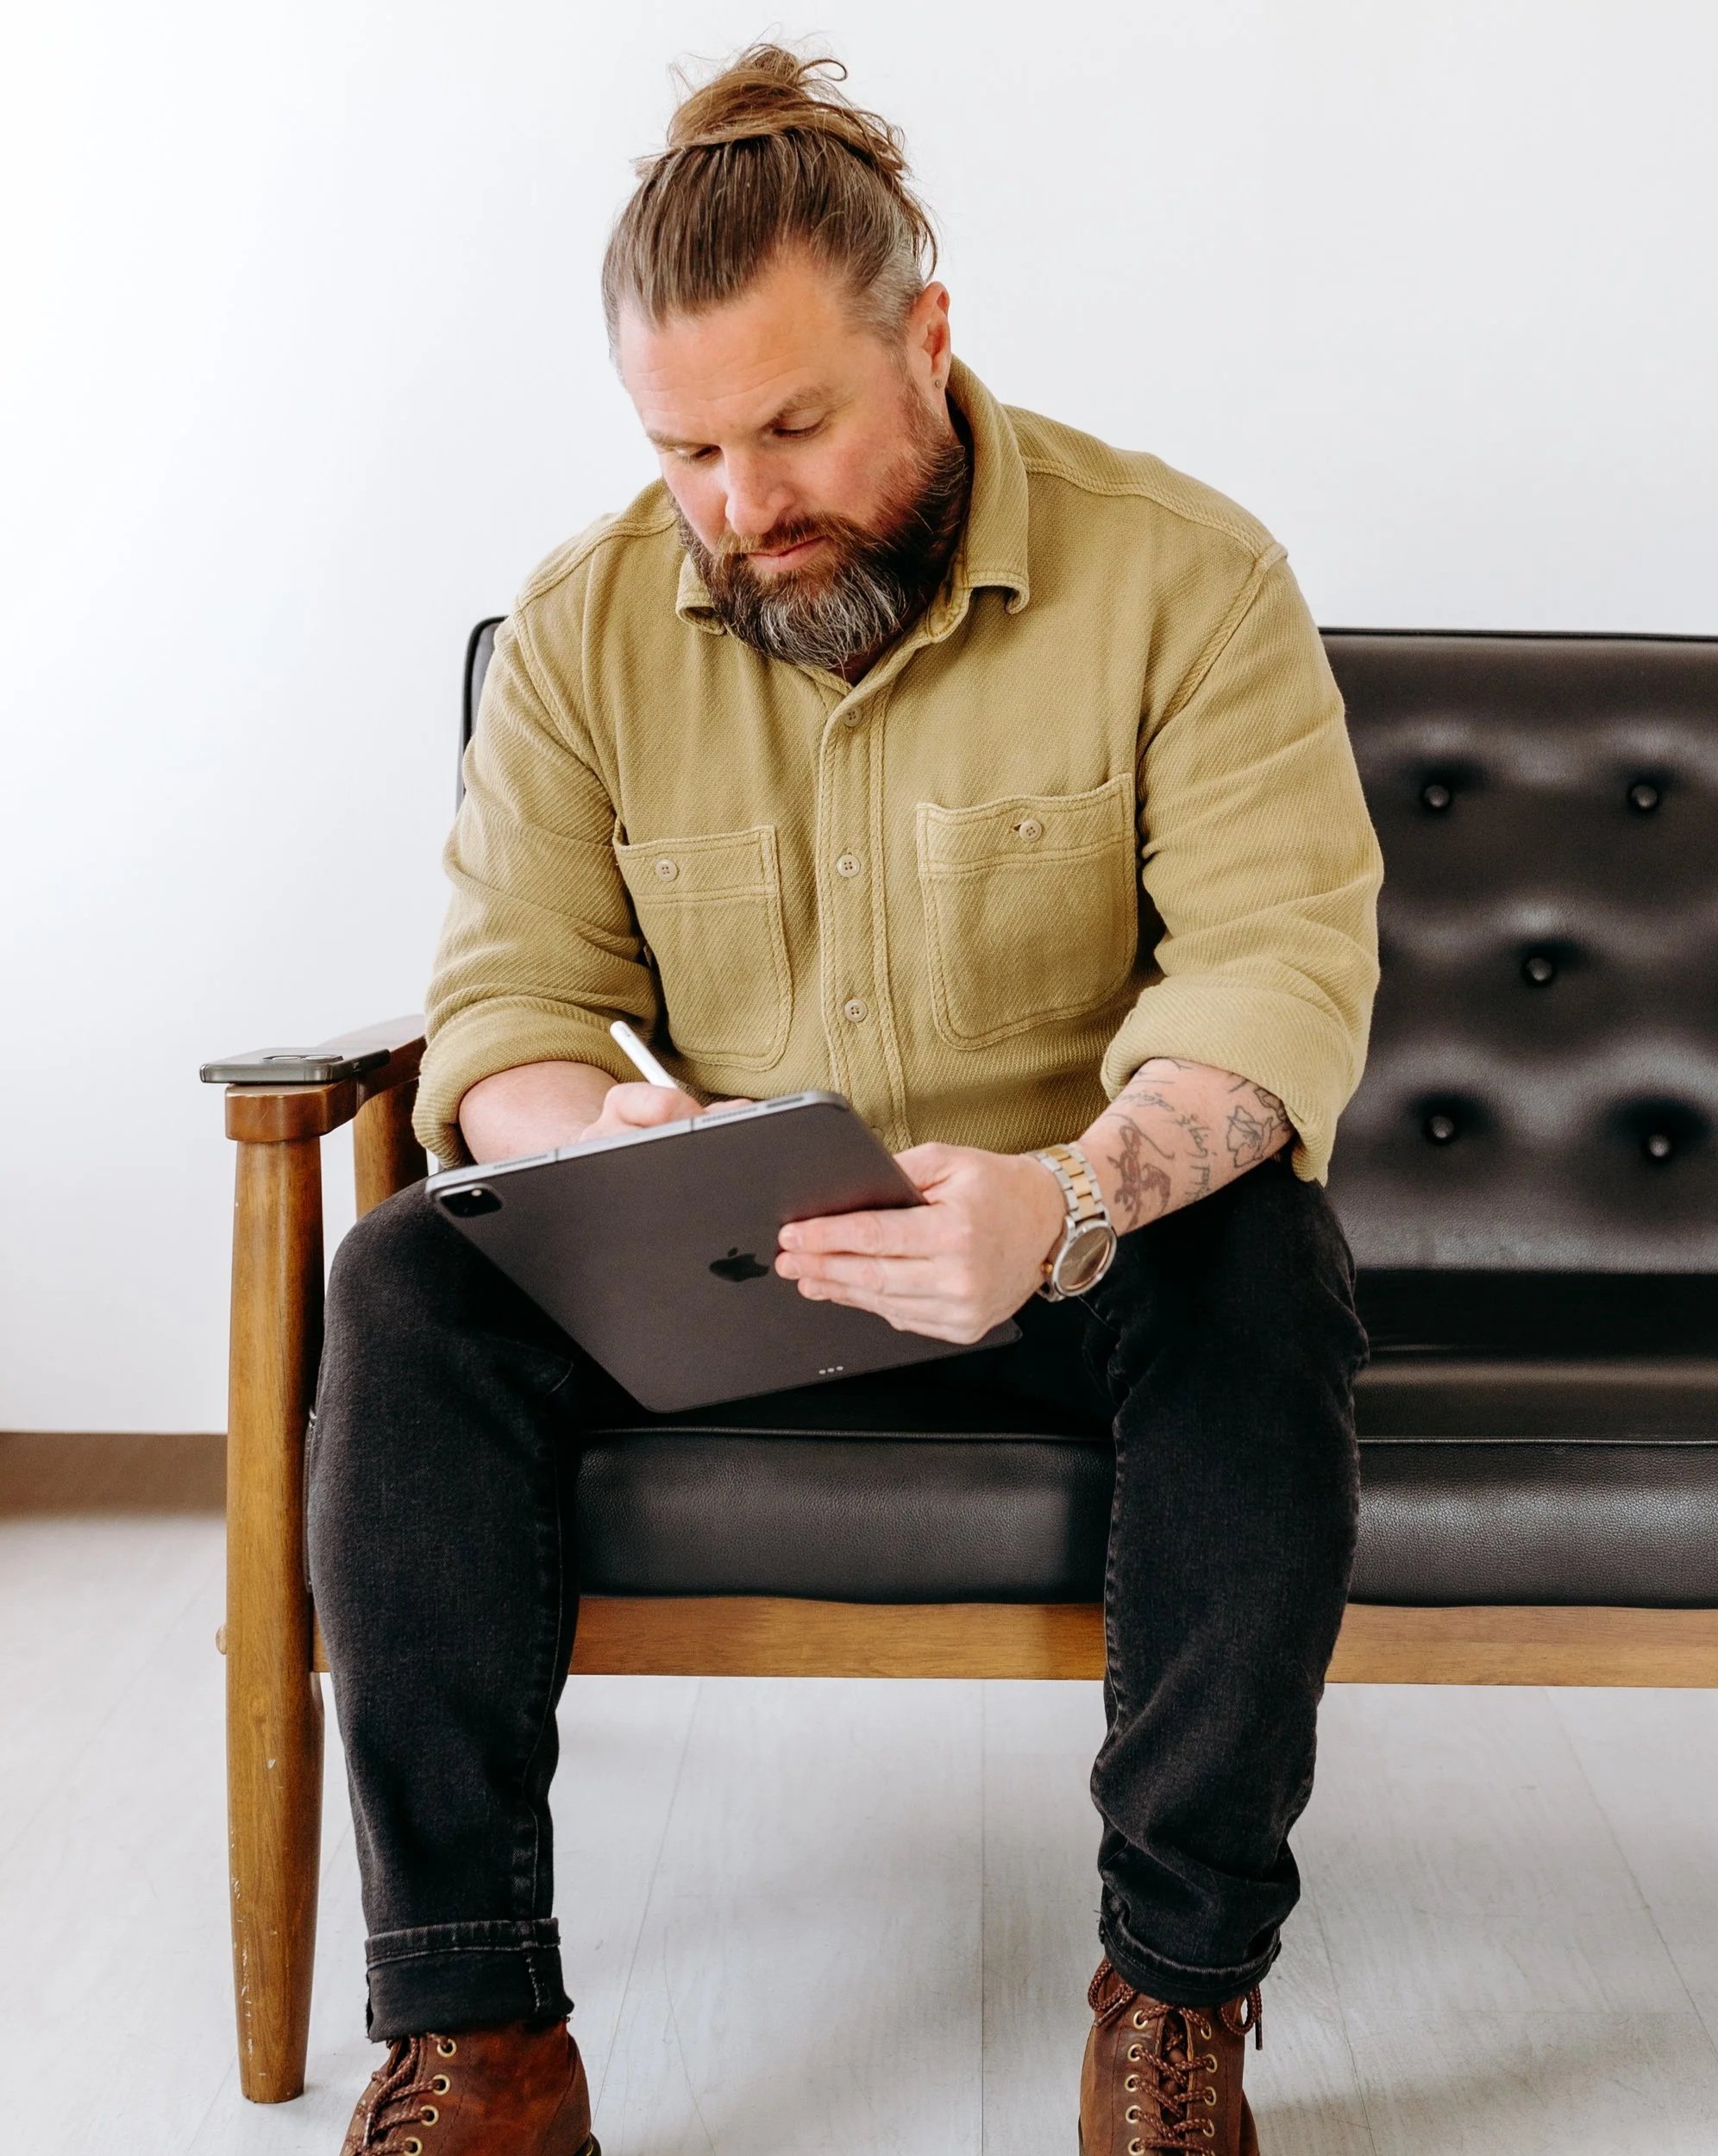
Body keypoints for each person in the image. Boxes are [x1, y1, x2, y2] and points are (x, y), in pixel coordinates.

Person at [314, 42, 1381, 2156]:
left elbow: (1272, 980)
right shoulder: (584, 620)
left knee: (1261, 1258)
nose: (740, 505)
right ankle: (483, 2038)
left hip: (1078, 1254)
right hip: (729, 1263)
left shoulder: (1186, 572)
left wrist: (1069, 1200)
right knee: (407, 1283)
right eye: (687, 444)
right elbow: (505, 1007)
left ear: (927, 337)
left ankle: (1173, 1998)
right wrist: (579, 1141)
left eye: (792, 424)